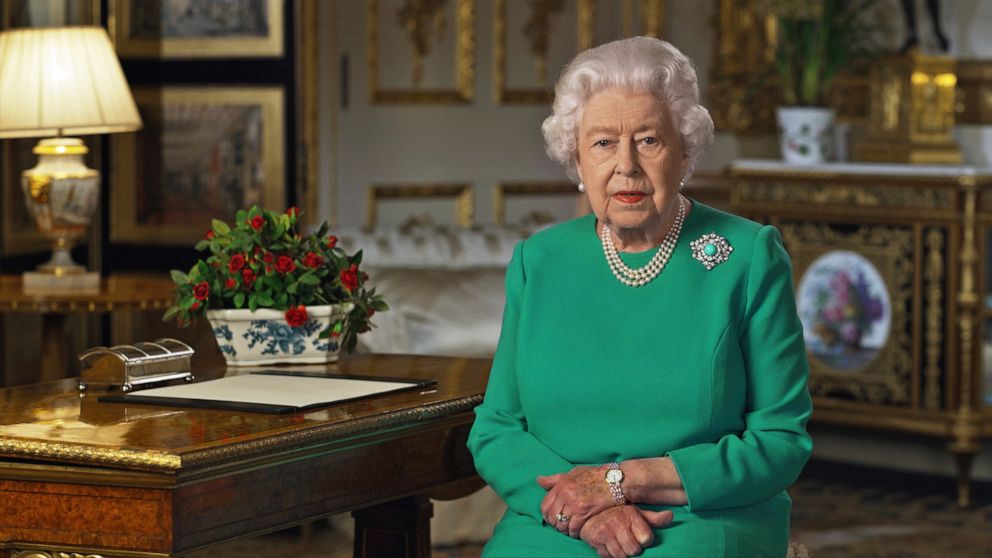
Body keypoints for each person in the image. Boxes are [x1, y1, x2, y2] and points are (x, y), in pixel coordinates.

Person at [467, 36, 813, 558]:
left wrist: (620, 482)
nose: (626, 165)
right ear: (576, 159)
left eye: (648, 140)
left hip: (698, 517)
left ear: (684, 151)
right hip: (560, 520)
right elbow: (496, 429)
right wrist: (585, 510)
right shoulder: (539, 262)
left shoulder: (748, 257)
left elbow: (782, 440)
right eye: (603, 143)